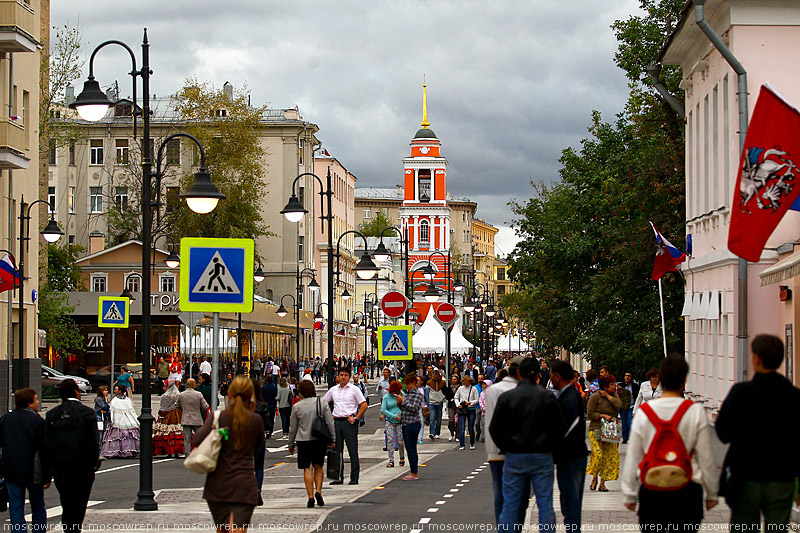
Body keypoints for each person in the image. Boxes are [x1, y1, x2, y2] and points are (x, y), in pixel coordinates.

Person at [622, 353, 718, 532]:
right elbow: (706, 456)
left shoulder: (644, 413)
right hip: (687, 490)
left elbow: (634, 455)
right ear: (685, 379)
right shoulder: (695, 412)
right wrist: (712, 492)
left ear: (661, 379)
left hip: (652, 489)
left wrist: (629, 493)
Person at [716, 334, 800, 530]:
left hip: (745, 476)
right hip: (782, 477)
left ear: (756, 359)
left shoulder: (741, 393)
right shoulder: (794, 396)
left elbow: (722, 432)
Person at [490, 357, 565, 532]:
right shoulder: (546, 397)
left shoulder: (508, 397)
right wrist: (551, 447)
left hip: (515, 454)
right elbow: (560, 427)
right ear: (538, 375)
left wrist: (505, 445)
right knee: (545, 502)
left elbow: (495, 428)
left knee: (511, 503)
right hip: (542, 454)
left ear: (519, 374)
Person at [194, 376, 264, 532]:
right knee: (239, 529)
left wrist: (219, 435)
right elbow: (259, 447)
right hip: (244, 484)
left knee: (222, 529)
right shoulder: (255, 420)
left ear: (230, 394)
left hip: (218, 485)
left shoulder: (219, 418)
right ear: (250, 395)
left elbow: (197, 439)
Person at [44, 379, 100, 533]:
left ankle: (68, 527)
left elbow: (46, 443)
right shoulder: (87, 413)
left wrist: (47, 471)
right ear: (76, 392)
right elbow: (94, 441)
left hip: (60, 466)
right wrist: (94, 463)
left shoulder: (52, 414)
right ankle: (74, 529)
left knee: (66, 500)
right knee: (79, 502)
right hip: (82, 466)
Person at [484, 357, 526, 528]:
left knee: (501, 494)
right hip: (517, 449)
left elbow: (491, 421)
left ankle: (503, 527)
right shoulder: (520, 390)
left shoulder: (493, 390)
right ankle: (514, 527)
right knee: (520, 495)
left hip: (495, 449)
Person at [0, 388, 49, 531]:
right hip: (33, 470)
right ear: (29, 403)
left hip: (11, 470)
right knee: (38, 505)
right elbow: (43, 449)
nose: (38, 402)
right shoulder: (37, 421)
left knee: (16, 507)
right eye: (36, 399)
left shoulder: (5, 419)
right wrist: (47, 475)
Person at [551, 360, 590, 531]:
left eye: (552, 375)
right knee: (567, 501)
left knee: (571, 502)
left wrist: (554, 445)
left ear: (558, 377)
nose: (550, 378)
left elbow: (570, 429)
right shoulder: (567, 396)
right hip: (568, 457)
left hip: (571, 457)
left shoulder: (570, 397)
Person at [288, 380, 335, 508]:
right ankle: (319, 492)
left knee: (307, 467)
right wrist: (333, 438)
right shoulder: (322, 403)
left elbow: (292, 428)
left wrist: (290, 444)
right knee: (318, 466)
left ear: (301, 392)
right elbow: (329, 422)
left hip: (303, 440)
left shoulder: (297, 407)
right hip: (319, 439)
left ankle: (310, 496)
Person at [321, 367, 367, 485]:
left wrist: (356, 417)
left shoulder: (354, 389)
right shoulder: (333, 390)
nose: (343, 377)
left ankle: (354, 477)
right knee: (337, 450)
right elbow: (323, 403)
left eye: (346, 375)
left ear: (349, 377)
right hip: (336, 421)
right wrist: (328, 417)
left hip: (349, 422)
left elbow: (363, 404)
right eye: (341, 375)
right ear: (338, 376)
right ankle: (338, 477)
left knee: (352, 450)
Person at [586, 374, 622, 492]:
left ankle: (602, 483)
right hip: (596, 428)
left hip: (610, 429)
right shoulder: (596, 397)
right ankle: (594, 477)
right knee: (598, 455)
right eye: (611, 385)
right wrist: (602, 415)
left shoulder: (613, 396)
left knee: (609, 456)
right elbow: (590, 413)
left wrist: (608, 396)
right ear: (605, 386)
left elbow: (619, 405)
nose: (614, 387)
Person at [396, 373, 425, 480]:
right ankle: (412, 471)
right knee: (408, 448)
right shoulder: (407, 394)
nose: (406, 386)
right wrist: (399, 402)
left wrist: (403, 402)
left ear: (413, 383)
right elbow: (404, 408)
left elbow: (414, 408)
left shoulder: (417, 394)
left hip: (413, 423)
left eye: (407, 384)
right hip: (405, 423)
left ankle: (414, 472)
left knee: (412, 448)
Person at [101, 385, 140, 458]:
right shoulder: (124, 399)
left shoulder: (117, 400)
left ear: (120, 391)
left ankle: (123, 451)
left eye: (116, 389)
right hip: (121, 419)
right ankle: (124, 451)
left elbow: (112, 410)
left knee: (122, 434)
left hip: (123, 419)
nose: (114, 391)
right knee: (124, 434)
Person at [153, 378, 184, 457]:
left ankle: (168, 451)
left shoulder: (165, 396)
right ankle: (176, 451)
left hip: (167, 415)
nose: (163, 388)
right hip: (177, 414)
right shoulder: (178, 394)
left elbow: (163, 408)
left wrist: (160, 416)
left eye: (164, 386)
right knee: (176, 431)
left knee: (167, 432)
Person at [179, 378, 209, 456]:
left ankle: (187, 454)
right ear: (194, 385)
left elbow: (177, 405)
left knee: (187, 439)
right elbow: (205, 406)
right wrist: (199, 408)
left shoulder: (181, 394)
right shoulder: (198, 394)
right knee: (199, 437)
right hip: (197, 418)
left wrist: (184, 409)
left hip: (186, 418)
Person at [381, 380, 405, 467]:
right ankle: (391, 459)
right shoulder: (386, 397)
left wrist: (401, 400)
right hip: (390, 421)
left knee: (400, 440)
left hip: (400, 421)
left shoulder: (402, 395)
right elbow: (384, 409)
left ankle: (402, 456)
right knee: (390, 440)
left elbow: (406, 406)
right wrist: (394, 416)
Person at [455, 375, 479, 450]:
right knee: (461, 427)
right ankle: (462, 444)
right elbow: (456, 397)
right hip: (462, 409)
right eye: (464, 382)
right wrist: (458, 404)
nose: (466, 384)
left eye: (467, 382)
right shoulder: (460, 389)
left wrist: (470, 403)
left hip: (471, 409)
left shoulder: (474, 389)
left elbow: (477, 399)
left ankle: (472, 443)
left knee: (470, 427)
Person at [618, 372, 639, 444]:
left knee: (630, 422)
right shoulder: (621, 386)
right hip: (623, 407)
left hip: (631, 406)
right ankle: (625, 438)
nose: (627, 377)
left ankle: (631, 437)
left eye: (629, 376)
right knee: (624, 423)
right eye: (626, 376)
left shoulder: (635, 386)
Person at [427, 370, 446, 440]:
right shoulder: (429, 383)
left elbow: (445, 391)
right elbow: (427, 393)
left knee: (439, 419)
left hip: (439, 403)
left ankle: (437, 433)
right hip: (432, 403)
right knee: (432, 418)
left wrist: (443, 398)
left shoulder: (443, 383)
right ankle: (432, 432)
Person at [261, 375, 278, 439]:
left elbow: (261, 395)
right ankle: (270, 431)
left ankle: (265, 430)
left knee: (265, 418)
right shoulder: (274, 387)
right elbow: (276, 395)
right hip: (272, 403)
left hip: (265, 403)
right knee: (271, 418)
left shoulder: (263, 387)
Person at [445, 374, 460, 441]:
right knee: (451, 420)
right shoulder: (448, 388)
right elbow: (446, 396)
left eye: (455, 379)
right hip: (451, 405)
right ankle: (451, 433)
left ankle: (457, 435)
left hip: (458, 405)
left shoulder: (460, 388)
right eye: (452, 379)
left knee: (457, 421)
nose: (453, 381)